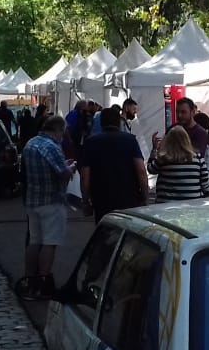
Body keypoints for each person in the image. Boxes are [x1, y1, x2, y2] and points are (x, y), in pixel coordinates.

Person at [22, 114, 76, 295]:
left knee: (34, 240)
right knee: (50, 242)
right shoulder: (52, 146)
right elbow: (63, 174)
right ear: (59, 130)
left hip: (32, 199)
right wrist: (72, 167)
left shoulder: (31, 143)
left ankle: (30, 278)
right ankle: (44, 280)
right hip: (51, 201)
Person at [79, 105, 149, 223]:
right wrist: (145, 195)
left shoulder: (91, 142)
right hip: (128, 196)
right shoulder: (130, 140)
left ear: (101, 122)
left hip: (101, 196)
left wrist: (85, 200)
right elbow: (141, 170)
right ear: (118, 121)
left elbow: (85, 175)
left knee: (105, 233)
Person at [149, 125, 209, 201]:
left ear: (168, 141)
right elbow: (205, 185)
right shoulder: (198, 159)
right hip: (191, 206)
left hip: (166, 206)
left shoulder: (163, 159)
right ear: (187, 140)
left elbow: (150, 169)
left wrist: (154, 149)